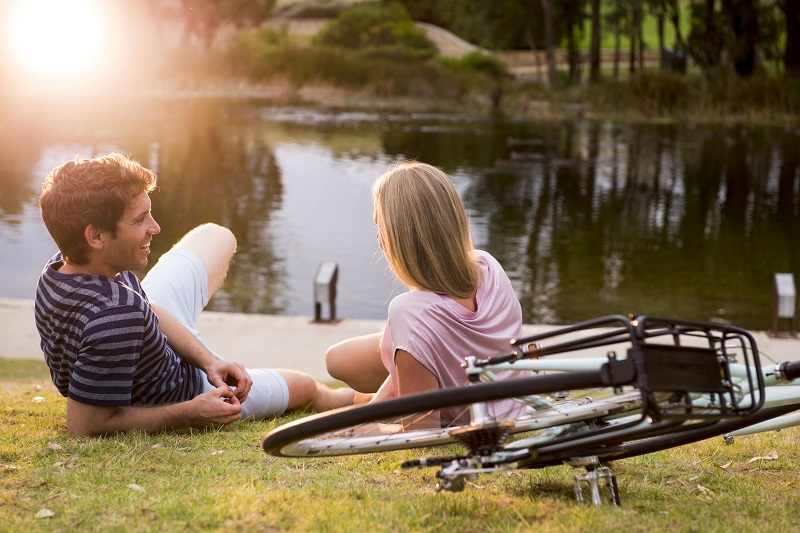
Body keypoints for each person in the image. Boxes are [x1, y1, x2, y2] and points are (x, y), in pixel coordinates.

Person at [35, 153, 354, 437]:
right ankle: (362, 399)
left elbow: (150, 310)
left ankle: (206, 354)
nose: (155, 227)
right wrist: (191, 412)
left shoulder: (61, 269)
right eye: (139, 219)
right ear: (96, 236)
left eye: (149, 213)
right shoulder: (115, 315)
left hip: (142, 337)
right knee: (306, 386)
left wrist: (210, 360)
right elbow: (85, 426)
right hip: (189, 390)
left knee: (216, 236)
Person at [325, 161, 527, 428]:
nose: (378, 238)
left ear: (393, 240)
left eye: (380, 227)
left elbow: (421, 431)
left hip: (481, 416)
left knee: (339, 360)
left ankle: (370, 399)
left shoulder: (409, 311)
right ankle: (371, 400)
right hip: (519, 405)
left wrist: (361, 431)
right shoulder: (488, 265)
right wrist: (371, 411)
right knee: (338, 358)